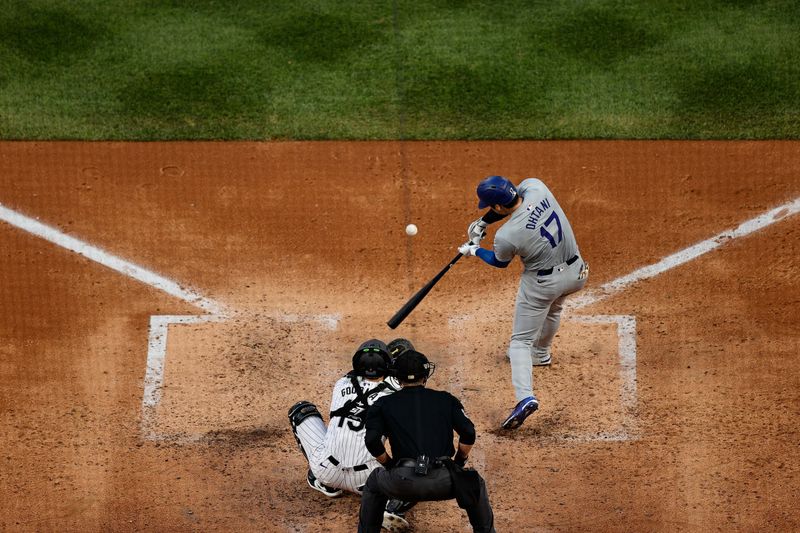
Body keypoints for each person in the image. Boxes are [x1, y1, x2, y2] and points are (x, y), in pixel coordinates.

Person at [458, 175, 589, 430]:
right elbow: (512, 205)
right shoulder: (537, 186)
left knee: (519, 342)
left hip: (543, 284)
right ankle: (541, 354)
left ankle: (524, 397)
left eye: (489, 207)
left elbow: (499, 261)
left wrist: (473, 249)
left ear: (496, 207)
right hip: (576, 273)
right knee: (555, 307)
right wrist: (483, 222)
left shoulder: (507, 236)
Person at [358, 350, 495, 533]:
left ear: (398, 379)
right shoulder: (446, 399)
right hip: (444, 482)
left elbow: (372, 441)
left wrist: (390, 465)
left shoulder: (383, 404)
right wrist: (459, 462)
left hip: (402, 482)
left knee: (374, 483)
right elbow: (468, 433)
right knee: (474, 482)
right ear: (425, 376)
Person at [288, 339, 401, 496]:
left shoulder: (341, 383)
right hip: (368, 479)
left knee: (300, 410)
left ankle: (326, 485)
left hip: (327, 471)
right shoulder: (395, 396)